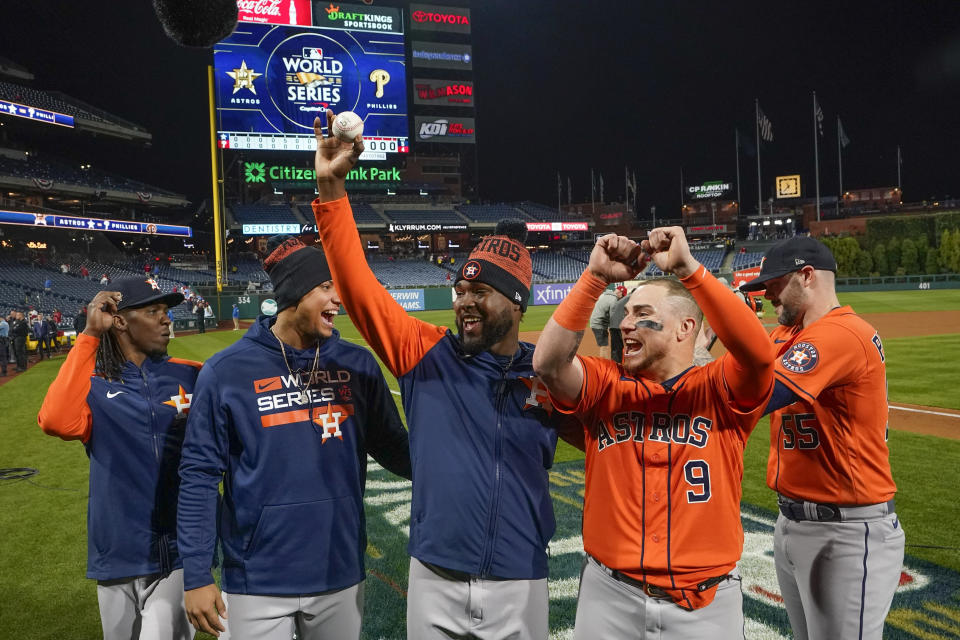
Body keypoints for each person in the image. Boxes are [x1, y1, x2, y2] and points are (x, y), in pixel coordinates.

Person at [310, 111, 579, 640]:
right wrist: (331, 191)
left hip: (519, 580)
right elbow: (359, 287)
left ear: (517, 301)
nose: (464, 303)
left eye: (480, 293)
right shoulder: (424, 354)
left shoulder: (549, 373)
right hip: (433, 577)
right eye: (460, 291)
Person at [532, 227, 775, 638]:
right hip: (608, 596)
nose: (625, 324)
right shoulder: (605, 383)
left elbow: (759, 356)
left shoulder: (720, 389)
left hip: (706, 607)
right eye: (625, 313)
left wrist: (690, 270)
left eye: (641, 314)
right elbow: (549, 365)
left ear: (685, 328)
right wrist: (594, 278)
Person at [177, 236, 411, 640]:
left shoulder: (357, 365)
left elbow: (394, 446)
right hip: (256, 579)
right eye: (325, 288)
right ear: (294, 294)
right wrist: (197, 574)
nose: (337, 299)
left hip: (338, 569)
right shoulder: (226, 371)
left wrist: (454, 465)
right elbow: (198, 476)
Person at [739, 236, 904, 640]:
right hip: (794, 521)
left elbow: (753, 397)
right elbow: (730, 366)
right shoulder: (787, 335)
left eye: (776, 283)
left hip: (845, 530)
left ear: (807, 276)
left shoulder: (843, 334)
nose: (768, 294)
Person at [37, 278, 199, 640]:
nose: (166, 320)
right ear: (121, 321)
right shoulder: (92, 383)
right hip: (116, 549)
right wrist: (91, 333)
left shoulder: (190, 374)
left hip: (177, 551)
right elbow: (56, 421)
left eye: (167, 312)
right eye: (153, 311)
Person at [587, 283, 624, 360]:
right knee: (604, 347)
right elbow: (612, 317)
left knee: (603, 345)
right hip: (599, 324)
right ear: (619, 293)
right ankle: (605, 365)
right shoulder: (614, 300)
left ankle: (604, 363)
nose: (621, 298)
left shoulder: (604, 295)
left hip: (595, 321)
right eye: (622, 295)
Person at [607, 285, 629, 363]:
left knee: (615, 349)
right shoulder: (626, 300)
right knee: (627, 346)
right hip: (620, 327)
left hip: (613, 326)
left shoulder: (615, 301)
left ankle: (615, 366)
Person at [0, 312, 9, 376]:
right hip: (3, 340)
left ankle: (4, 371)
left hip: (2, 341)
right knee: (2, 357)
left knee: (2, 357)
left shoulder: (3, 323)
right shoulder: (3, 323)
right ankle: (4, 371)